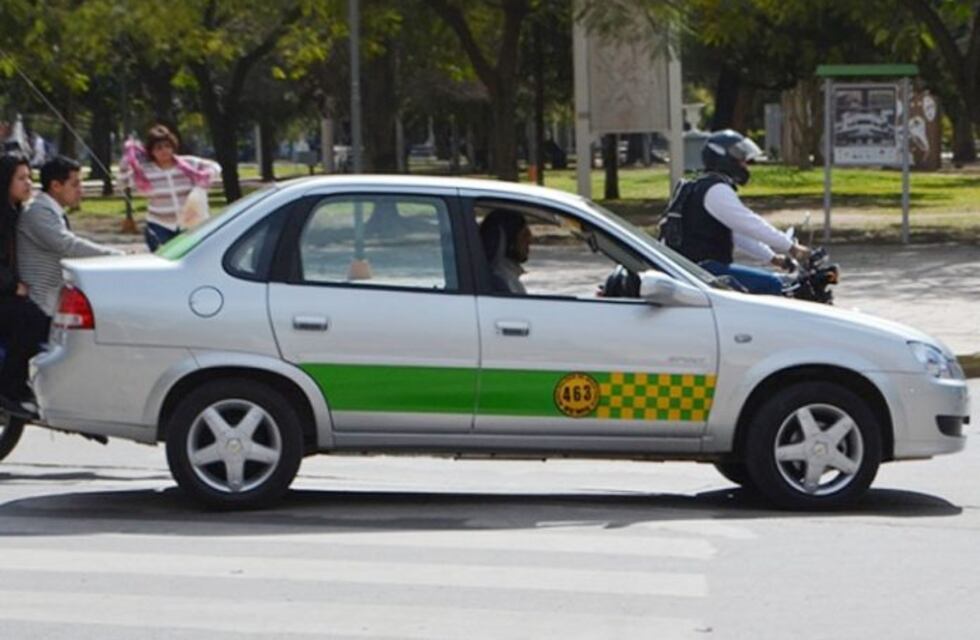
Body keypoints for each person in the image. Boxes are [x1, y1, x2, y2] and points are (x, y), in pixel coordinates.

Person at [676, 129, 810, 294]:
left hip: (695, 268)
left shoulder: (703, 185)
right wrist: (790, 247)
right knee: (773, 284)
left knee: (773, 282)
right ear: (724, 158)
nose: (745, 164)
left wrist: (772, 258)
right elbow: (750, 224)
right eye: (740, 159)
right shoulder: (716, 190)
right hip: (704, 270)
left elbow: (736, 234)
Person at [17, 156, 124, 318]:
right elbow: (67, 245)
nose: (81, 190)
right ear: (55, 186)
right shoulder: (38, 212)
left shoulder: (50, 211)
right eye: (75, 184)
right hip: (39, 306)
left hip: (51, 303)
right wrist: (116, 256)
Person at [0, 155, 52, 419]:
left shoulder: (16, 212)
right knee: (30, 319)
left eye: (29, 177)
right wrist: (11, 286)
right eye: (20, 178)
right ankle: (9, 388)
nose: (28, 183)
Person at [119, 124, 221, 251]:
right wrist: (125, 164)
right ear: (151, 151)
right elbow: (123, 183)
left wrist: (206, 176)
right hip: (159, 224)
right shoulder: (145, 171)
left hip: (189, 223)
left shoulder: (188, 164)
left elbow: (215, 167)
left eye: (167, 146)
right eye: (158, 148)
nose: (164, 151)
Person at [479, 209, 532, 294]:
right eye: (524, 235)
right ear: (509, 241)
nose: (529, 241)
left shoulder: (507, 277)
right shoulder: (502, 283)